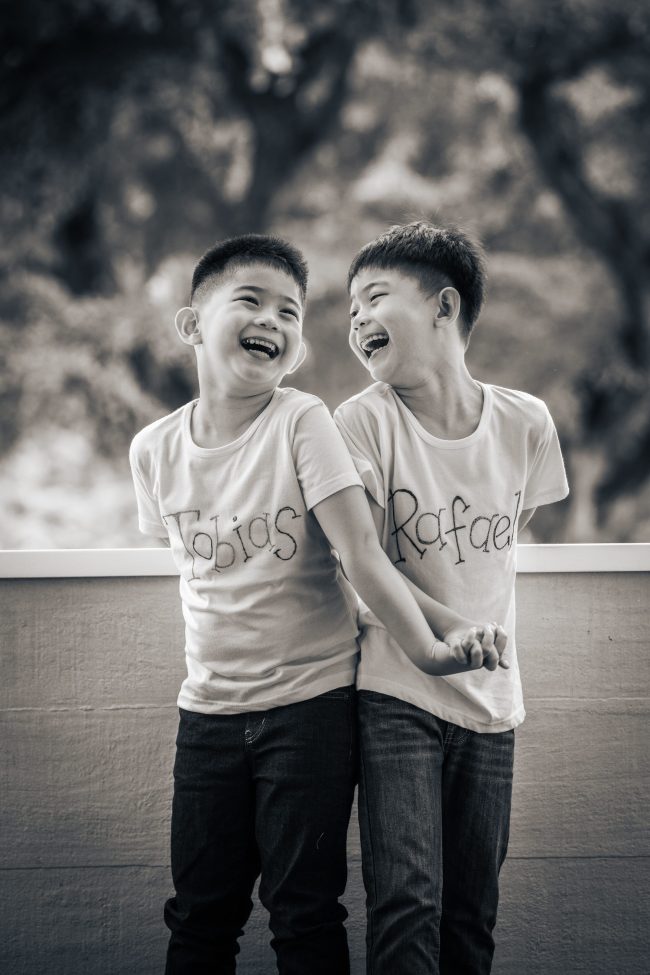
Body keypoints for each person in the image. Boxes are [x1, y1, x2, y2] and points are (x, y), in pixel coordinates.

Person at [129, 233, 505, 975]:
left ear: (298, 347)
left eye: (290, 312)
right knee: (200, 913)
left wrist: (437, 645)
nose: (272, 319)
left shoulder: (302, 421)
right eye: (250, 300)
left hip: (310, 708)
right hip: (206, 712)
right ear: (191, 324)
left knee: (303, 912)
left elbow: (363, 554)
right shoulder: (153, 450)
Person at [334, 221, 569, 975]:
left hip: (493, 700)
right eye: (350, 311)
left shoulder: (525, 421)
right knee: (407, 901)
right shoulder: (361, 420)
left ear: (443, 305)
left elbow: (503, 537)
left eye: (374, 297)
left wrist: (475, 637)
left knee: (474, 912)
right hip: (396, 692)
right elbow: (364, 561)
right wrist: (444, 636)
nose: (357, 320)